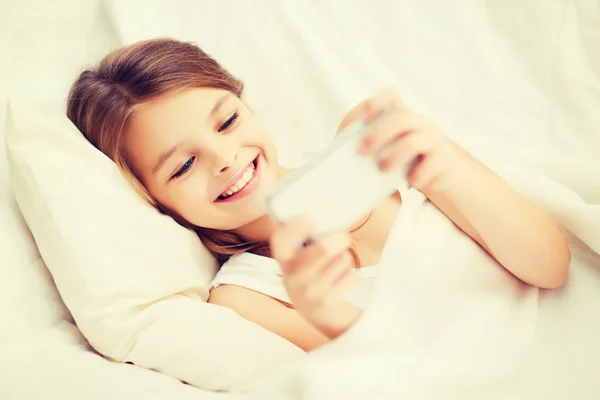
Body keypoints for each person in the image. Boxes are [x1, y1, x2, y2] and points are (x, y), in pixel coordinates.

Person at [67, 38, 571, 352]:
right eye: (182, 166)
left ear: (245, 103)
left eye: (227, 120)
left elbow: (551, 268)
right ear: (155, 202)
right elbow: (408, 378)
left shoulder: (368, 143)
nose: (224, 157)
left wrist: (447, 166)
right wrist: (330, 318)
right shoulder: (245, 297)